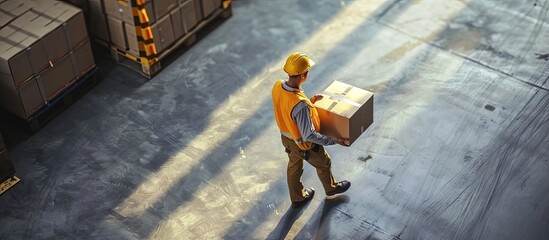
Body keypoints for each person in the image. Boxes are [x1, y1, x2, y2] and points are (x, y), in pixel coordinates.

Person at [271, 52, 351, 208]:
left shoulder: (278, 86)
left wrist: (310, 102)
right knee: (324, 163)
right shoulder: (300, 105)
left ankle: (297, 197)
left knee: (294, 166)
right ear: (304, 75)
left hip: (287, 138)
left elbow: (288, 109)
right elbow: (309, 134)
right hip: (304, 144)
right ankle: (331, 188)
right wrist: (334, 140)